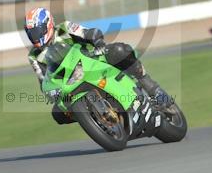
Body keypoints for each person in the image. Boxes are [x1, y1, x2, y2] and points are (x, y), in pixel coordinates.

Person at [24, 7, 172, 125]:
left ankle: (153, 88)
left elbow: (90, 33)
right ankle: (93, 118)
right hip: (68, 82)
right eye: (31, 33)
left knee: (120, 51)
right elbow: (44, 80)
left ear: (48, 24)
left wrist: (98, 43)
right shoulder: (34, 56)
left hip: (92, 60)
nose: (35, 37)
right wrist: (52, 94)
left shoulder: (65, 28)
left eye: (36, 31)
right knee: (58, 114)